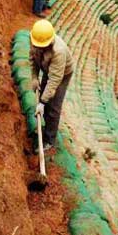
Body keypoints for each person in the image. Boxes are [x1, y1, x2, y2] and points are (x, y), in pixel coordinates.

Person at [29, 19, 74, 150]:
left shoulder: (58, 51)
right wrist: (34, 77)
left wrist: (42, 103)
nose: (38, 47)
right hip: (47, 68)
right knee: (44, 94)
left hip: (62, 74)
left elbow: (54, 79)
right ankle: (44, 125)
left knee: (53, 106)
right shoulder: (34, 39)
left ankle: (49, 139)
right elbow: (32, 59)